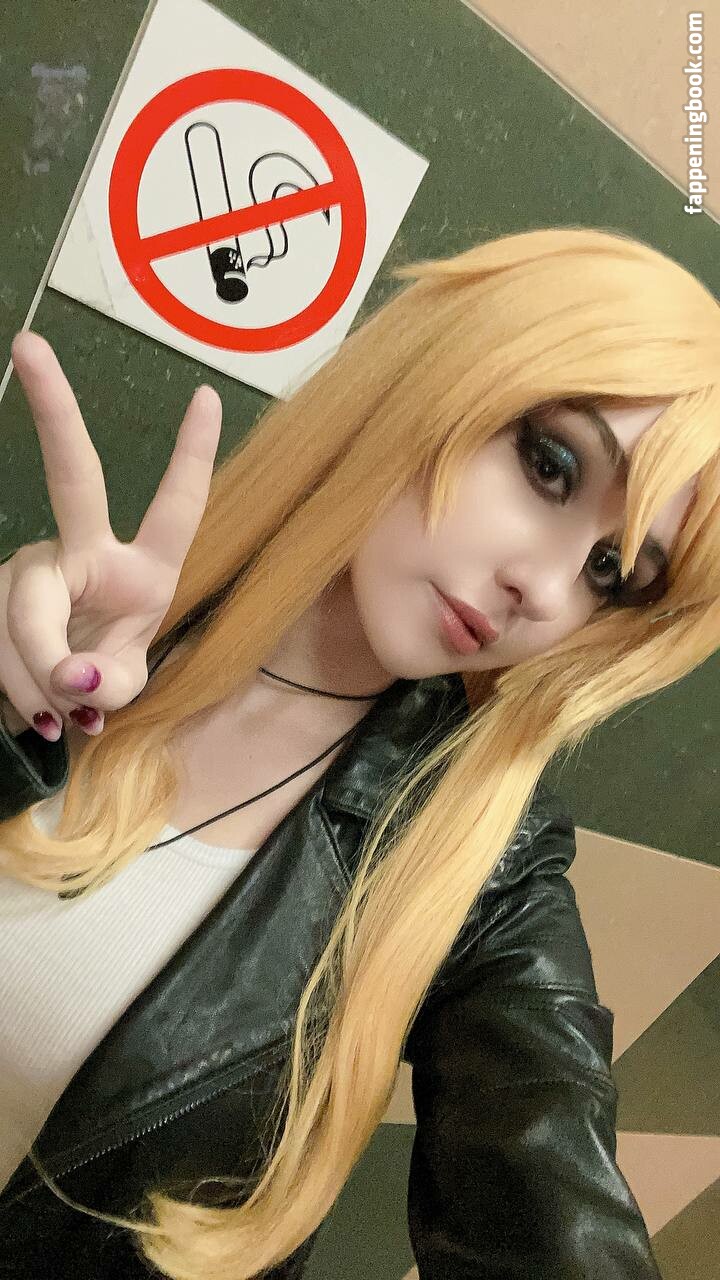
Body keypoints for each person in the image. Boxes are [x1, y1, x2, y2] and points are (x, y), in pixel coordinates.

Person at [0, 225, 718, 1280]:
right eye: (550, 465)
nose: (545, 588)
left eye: (610, 572)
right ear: (437, 374)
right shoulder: (75, 626)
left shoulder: (486, 873)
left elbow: (550, 1179)